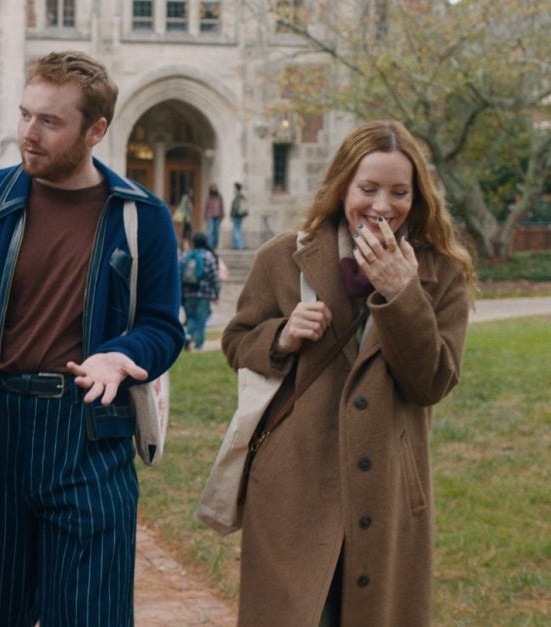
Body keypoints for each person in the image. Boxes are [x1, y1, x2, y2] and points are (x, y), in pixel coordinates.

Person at [0, 50, 183, 626]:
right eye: (26, 114)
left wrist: (122, 355)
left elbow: (162, 326)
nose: (28, 133)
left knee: (93, 615)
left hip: (89, 434)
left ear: (96, 130)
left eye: (50, 121)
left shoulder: (141, 216)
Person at [220, 120, 474, 626]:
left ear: (417, 197)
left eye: (399, 192)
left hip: (387, 490)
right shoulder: (283, 257)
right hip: (292, 486)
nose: (383, 206)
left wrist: (402, 294)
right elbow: (236, 341)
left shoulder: (441, 271)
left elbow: (432, 382)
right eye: (368, 188)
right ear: (342, 188)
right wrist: (281, 336)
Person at [181, 232, 221, 351]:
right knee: (201, 319)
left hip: (188, 292)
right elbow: (214, 276)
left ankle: (188, 336)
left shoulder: (186, 255)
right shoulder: (208, 256)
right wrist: (216, 292)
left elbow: (179, 273)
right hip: (204, 293)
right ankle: (198, 345)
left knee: (191, 317)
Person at [203, 182, 224, 249]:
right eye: (213, 188)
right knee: (210, 231)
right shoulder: (208, 197)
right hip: (210, 216)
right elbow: (206, 207)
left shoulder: (219, 197)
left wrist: (222, 215)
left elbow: (221, 207)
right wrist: (205, 216)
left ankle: (215, 245)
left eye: (215, 188)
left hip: (217, 216)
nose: (214, 189)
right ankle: (210, 245)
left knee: (216, 231)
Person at [230, 181, 248, 250]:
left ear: (236, 188)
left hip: (237, 215)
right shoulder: (241, 195)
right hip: (240, 215)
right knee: (237, 229)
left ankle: (240, 245)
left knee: (236, 230)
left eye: (234, 187)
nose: (233, 189)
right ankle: (235, 245)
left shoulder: (237, 196)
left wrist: (232, 214)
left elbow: (236, 207)